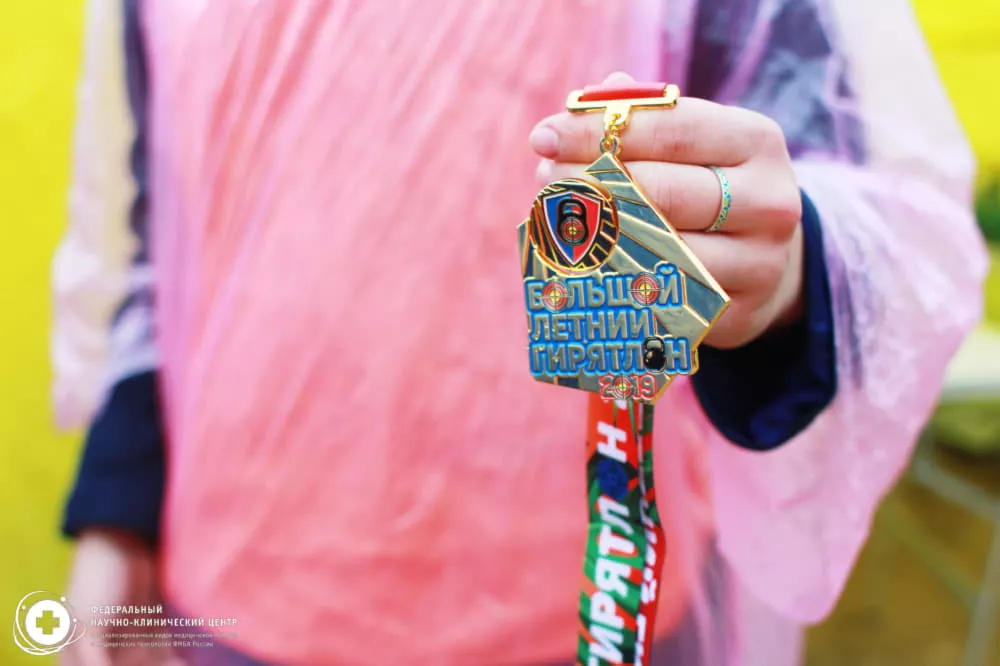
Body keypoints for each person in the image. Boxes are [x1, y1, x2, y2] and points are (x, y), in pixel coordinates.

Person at [52, 0, 987, 665]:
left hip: (592, 601)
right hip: (235, 592)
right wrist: (117, 512)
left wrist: (779, 276)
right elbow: (166, 238)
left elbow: (862, 213)